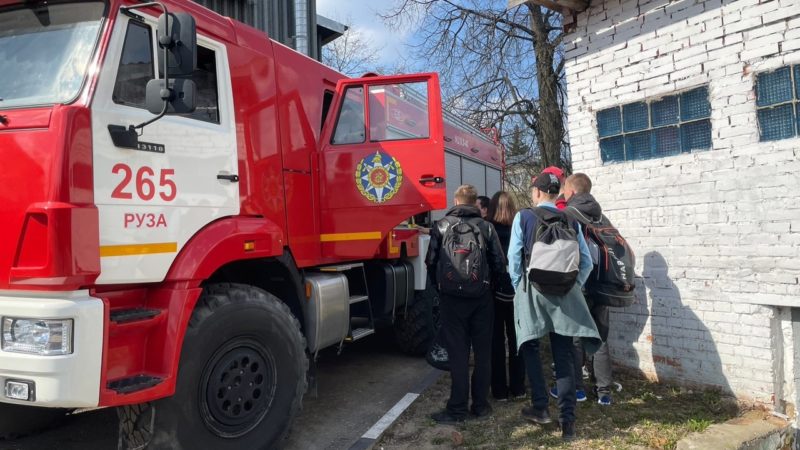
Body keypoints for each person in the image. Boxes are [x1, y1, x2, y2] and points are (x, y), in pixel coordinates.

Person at [507, 172, 601, 440]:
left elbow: (514, 259)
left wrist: (519, 289)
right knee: (564, 356)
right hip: (565, 292)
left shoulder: (523, 217)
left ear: (537, 193)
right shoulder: (571, 218)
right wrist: (573, 284)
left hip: (532, 291)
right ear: (557, 193)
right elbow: (587, 261)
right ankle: (568, 422)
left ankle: (540, 408)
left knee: (531, 347)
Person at [426, 185, 507, 424]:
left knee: (458, 354)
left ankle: (457, 409)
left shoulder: (441, 225)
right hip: (481, 298)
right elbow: (499, 265)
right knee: (483, 353)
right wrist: (489, 287)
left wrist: (440, 287)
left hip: (452, 298)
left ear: (456, 200)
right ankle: (480, 406)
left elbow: (430, 262)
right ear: (474, 203)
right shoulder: (486, 227)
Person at [561, 173, 615, 406]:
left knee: (574, 339)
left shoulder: (569, 215)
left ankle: (578, 389)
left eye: (564, 188)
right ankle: (604, 392)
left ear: (572, 191)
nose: (562, 192)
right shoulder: (601, 216)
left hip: (579, 285)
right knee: (600, 338)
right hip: (602, 286)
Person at [487, 192, 525, 401]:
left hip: (493, 292)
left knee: (496, 341)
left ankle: (499, 390)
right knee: (517, 339)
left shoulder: (487, 228)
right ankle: (519, 387)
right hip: (516, 291)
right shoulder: (519, 228)